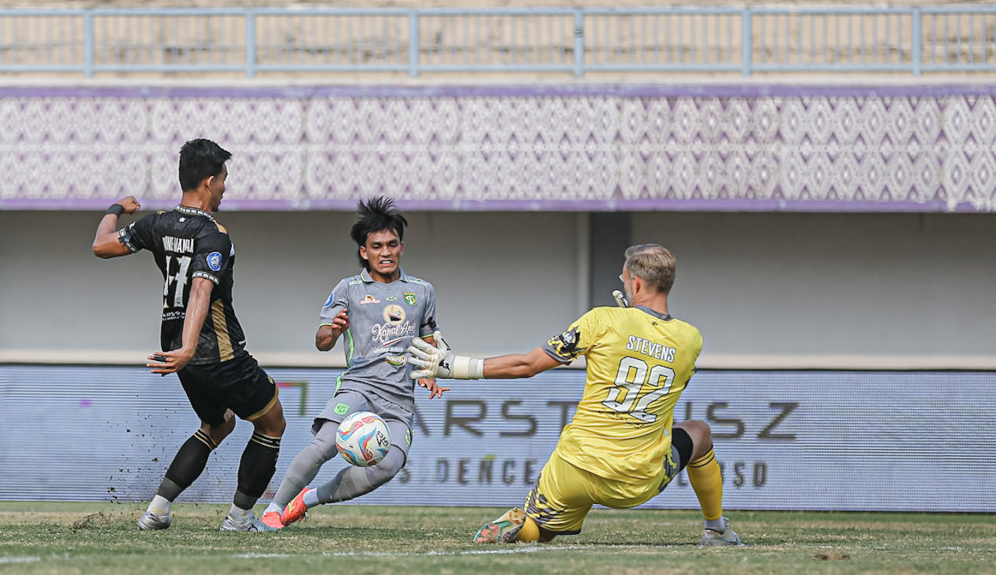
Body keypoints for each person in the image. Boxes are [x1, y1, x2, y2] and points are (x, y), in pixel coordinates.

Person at [407, 243, 743, 547]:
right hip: (636, 480)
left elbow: (527, 365)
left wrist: (453, 366)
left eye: (625, 279)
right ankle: (716, 528)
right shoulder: (691, 339)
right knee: (699, 431)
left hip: (575, 467)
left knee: (544, 528)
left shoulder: (602, 320)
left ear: (636, 284)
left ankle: (519, 527)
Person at [93, 138, 286, 533]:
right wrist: (190, 346)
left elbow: (101, 246)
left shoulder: (156, 223)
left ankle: (157, 511)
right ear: (209, 181)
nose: (225, 189)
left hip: (180, 351)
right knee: (272, 423)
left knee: (218, 426)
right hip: (215, 350)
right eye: (224, 180)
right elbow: (201, 288)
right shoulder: (214, 233)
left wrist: (116, 209)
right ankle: (239, 519)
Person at [257, 196, 444, 531]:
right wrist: (334, 330)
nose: (385, 252)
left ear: (401, 247)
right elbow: (322, 341)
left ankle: (309, 499)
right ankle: (273, 509)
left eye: (391, 244)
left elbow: (430, 339)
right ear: (364, 252)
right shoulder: (349, 289)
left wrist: (431, 371)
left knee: (389, 466)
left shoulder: (422, 291)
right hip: (359, 388)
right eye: (376, 246)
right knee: (326, 444)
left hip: (399, 400)